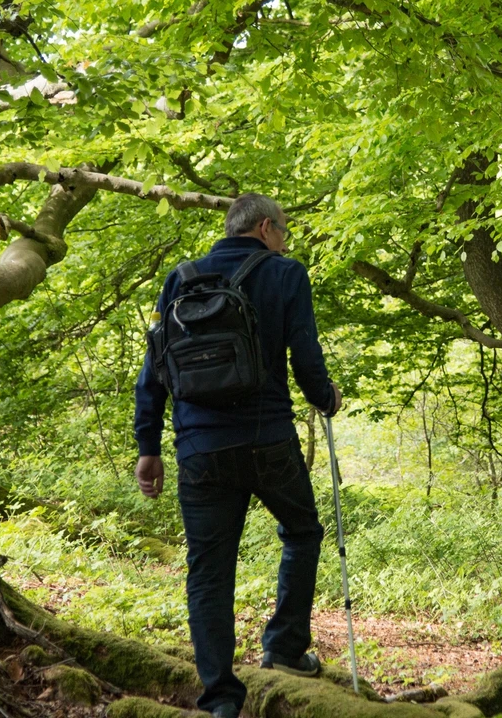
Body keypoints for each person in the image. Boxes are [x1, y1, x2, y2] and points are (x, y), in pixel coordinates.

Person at [133, 193, 341, 718]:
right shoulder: (286, 274)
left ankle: (222, 700)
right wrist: (326, 398)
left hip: (199, 448)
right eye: (284, 232)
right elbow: (306, 356)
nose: (285, 242)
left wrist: (148, 446)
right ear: (266, 228)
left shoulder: (181, 279)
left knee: (209, 570)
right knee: (302, 532)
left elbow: (153, 368)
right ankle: (285, 648)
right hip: (268, 439)